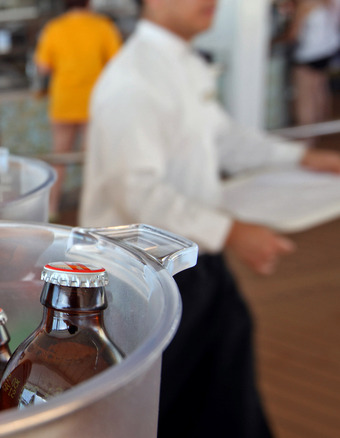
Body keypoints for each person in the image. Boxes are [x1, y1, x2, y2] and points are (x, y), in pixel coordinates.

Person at [79, 0, 340, 437]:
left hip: (193, 257)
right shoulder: (133, 80)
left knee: (221, 372)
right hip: (142, 277)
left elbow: (226, 140)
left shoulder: (181, 64)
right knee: (166, 393)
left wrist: (304, 157)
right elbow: (138, 192)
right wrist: (232, 231)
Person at [33, 0, 122, 220]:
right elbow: (118, 63)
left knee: (59, 158)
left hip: (64, 101)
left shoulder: (54, 28)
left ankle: (51, 209)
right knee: (92, 161)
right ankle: (91, 213)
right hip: (94, 103)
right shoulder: (103, 26)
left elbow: (43, 67)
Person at [289, 0, 340, 127]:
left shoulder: (306, 4)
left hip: (309, 55)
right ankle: (319, 128)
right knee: (319, 90)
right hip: (326, 52)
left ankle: (307, 138)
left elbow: (292, 34)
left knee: (305, 98)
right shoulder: (327, 3)